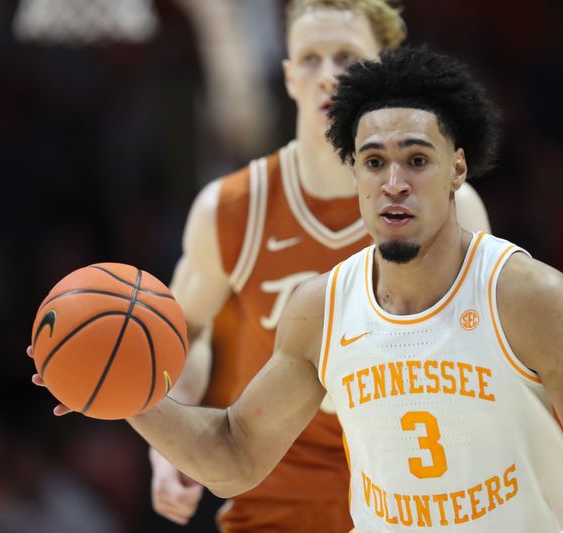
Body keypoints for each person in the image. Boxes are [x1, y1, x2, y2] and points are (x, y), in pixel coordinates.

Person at [32, 47, 563, 532]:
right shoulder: (322, 308)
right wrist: (124, 392)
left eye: (417, 159)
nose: (394, 182)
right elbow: (234, 455)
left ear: (457, 169)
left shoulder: (525, 296)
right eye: (375, 162)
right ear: (354, 173)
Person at [150, 1, 490, 531]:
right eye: (309, 58)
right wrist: (168, 446)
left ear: (381, 68)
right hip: (275, 502)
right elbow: (184, 335)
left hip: (411, 500)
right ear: (287, 75)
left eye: (347, 57)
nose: (328, 75)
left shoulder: (447, 205)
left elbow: (486, 351)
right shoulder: (233, 208)